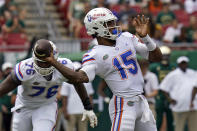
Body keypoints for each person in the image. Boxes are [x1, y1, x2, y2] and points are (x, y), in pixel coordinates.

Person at [39, 7, 162, 131]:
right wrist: (53, 62)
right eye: (109, 23)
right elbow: (79, 77)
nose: (114, 26)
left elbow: (156, 57)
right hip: (124, 104)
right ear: (96, 27)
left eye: (113, 22)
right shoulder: (94, 54)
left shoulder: (126, 37)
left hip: (142, 101)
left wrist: (146, 38)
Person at [0, 39, 97, 131]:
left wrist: (87, 106)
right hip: (24, 106)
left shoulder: (64, 66)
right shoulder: (24, 68)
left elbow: (77, 82)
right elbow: (3, 88)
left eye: (47, 62)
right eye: (40, 62)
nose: (43, 65)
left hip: (46, 106)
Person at [160, 56, 197, 131]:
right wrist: (170, 99)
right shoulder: (173, 74)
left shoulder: (193, 73)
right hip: (179, 107)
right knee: (179, 128)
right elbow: (163, 88)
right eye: (182, 63)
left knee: (194, 128)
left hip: (193, 107)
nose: (184, 65)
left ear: (187, 64)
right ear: (178, 64)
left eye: (185, 63)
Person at [61, 62, 94, 131]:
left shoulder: (87, 81)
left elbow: (90, 96)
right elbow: (64, 98)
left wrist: (90, 109)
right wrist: (65, 111)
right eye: (75, 70)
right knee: (70, 129)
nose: (77, 71)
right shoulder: (66, 82)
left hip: (83, 111)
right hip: (71, 111)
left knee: (83, 129)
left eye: (78, 69)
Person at [149, 45, 175, 131]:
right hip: (158, 95)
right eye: (163, 55)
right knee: (158, 119)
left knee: (171, 120)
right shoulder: (154, 67)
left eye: (167, 55)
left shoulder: (173, 67)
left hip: (170, 95)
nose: (165, 58)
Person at [0, 62, 14, 131]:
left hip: (15, 109)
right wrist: (1, 105)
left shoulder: (17, 82)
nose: (9, 71)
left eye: (10, 69)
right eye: (7, 69)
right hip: (5, 109)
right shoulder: (1, 82)